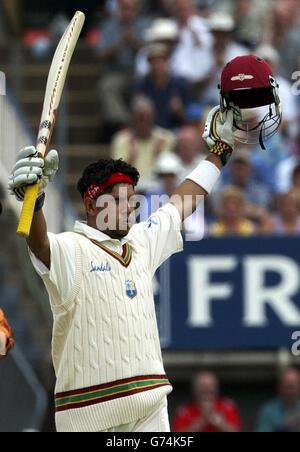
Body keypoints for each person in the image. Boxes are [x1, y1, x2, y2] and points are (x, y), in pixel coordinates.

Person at [8, 104, 236, 432]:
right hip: (86, 417)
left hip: (150, 408)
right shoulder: (73, 249)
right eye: (117, 201)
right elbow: (39, 243)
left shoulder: (141, 242)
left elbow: (182, 202)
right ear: (91, 205)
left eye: (131, 201)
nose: (128, 209)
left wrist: (220, 151)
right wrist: (36, 202)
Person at [97, 0, 150, 130]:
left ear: (136, 10)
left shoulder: (145, 25)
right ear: (119, 10)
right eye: (124, 8)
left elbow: (150, 52)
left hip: (141, 73)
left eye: (131, 9)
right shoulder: (108, 27)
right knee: (107, 86)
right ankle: (126, 123)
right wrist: (119, 44)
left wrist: (132, 40)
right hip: (117, 72)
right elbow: (100, 55)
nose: (128, 12)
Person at [111, 96, 176, 191]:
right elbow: (117, 174)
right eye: (140, 118)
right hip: (131, 189)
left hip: (159, 190)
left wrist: (158, 155)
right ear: (132, 117)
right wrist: (131, 156)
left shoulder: (166, 138)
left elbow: (170, 172)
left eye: (147, 117)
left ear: (153, 116)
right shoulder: (121, 139)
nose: (144, 122)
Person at [135, 43, 190, 130]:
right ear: (149, 63)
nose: (157, 65)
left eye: (161, 61)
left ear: (167, 61)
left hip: (174, 129)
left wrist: (179, 111)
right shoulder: (142, 85)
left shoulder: (179, 84)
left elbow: (189, 119)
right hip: (150, 131)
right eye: (154, 62)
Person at [173, 372, 242, 432]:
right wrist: (202, 420)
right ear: (194, 389)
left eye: (210, 385)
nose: (206, 389)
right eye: (202, 386)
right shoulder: (184, 411)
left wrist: (218, 422)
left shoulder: (228, 407)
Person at [256, 368, 300, 432]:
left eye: (292, 387)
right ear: (279, 387)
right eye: (287, 386)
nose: (290, 391)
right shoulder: (268, 411)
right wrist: (283, 428)